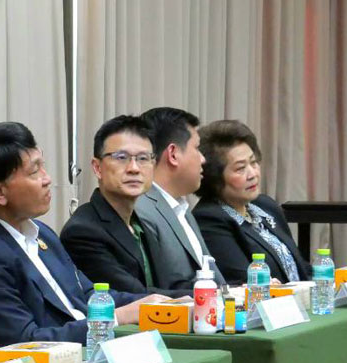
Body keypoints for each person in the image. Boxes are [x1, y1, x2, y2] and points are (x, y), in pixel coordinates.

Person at [0, 122, 166, 360]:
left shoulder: (41, 232)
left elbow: (88, 294)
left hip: (86, 359)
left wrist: (158, 304)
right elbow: (24, 344)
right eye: (34, 172)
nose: (47, 179)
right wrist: (118, 317)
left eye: (43, 166)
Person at [61, 115, 189, 297]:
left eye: (143, 158)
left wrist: (219, 293)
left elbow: (169, 282)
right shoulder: (83, 231)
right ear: (97, 168)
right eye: (121, 157)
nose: (134, 168)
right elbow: (133, 294)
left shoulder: (139, 223)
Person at [193, 120, 309, 284]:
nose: (252, 174)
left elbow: (300, 268)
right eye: (240, 168)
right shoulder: (209, 219)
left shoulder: (265, 206)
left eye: (253, 162)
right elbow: (242, 280)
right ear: (215, 177)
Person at [134, 107, 222, 289]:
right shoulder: (142, 210)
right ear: (173, 154)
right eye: (197, 149)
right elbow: (167, 286)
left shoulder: (181, 207)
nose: (203, 159)